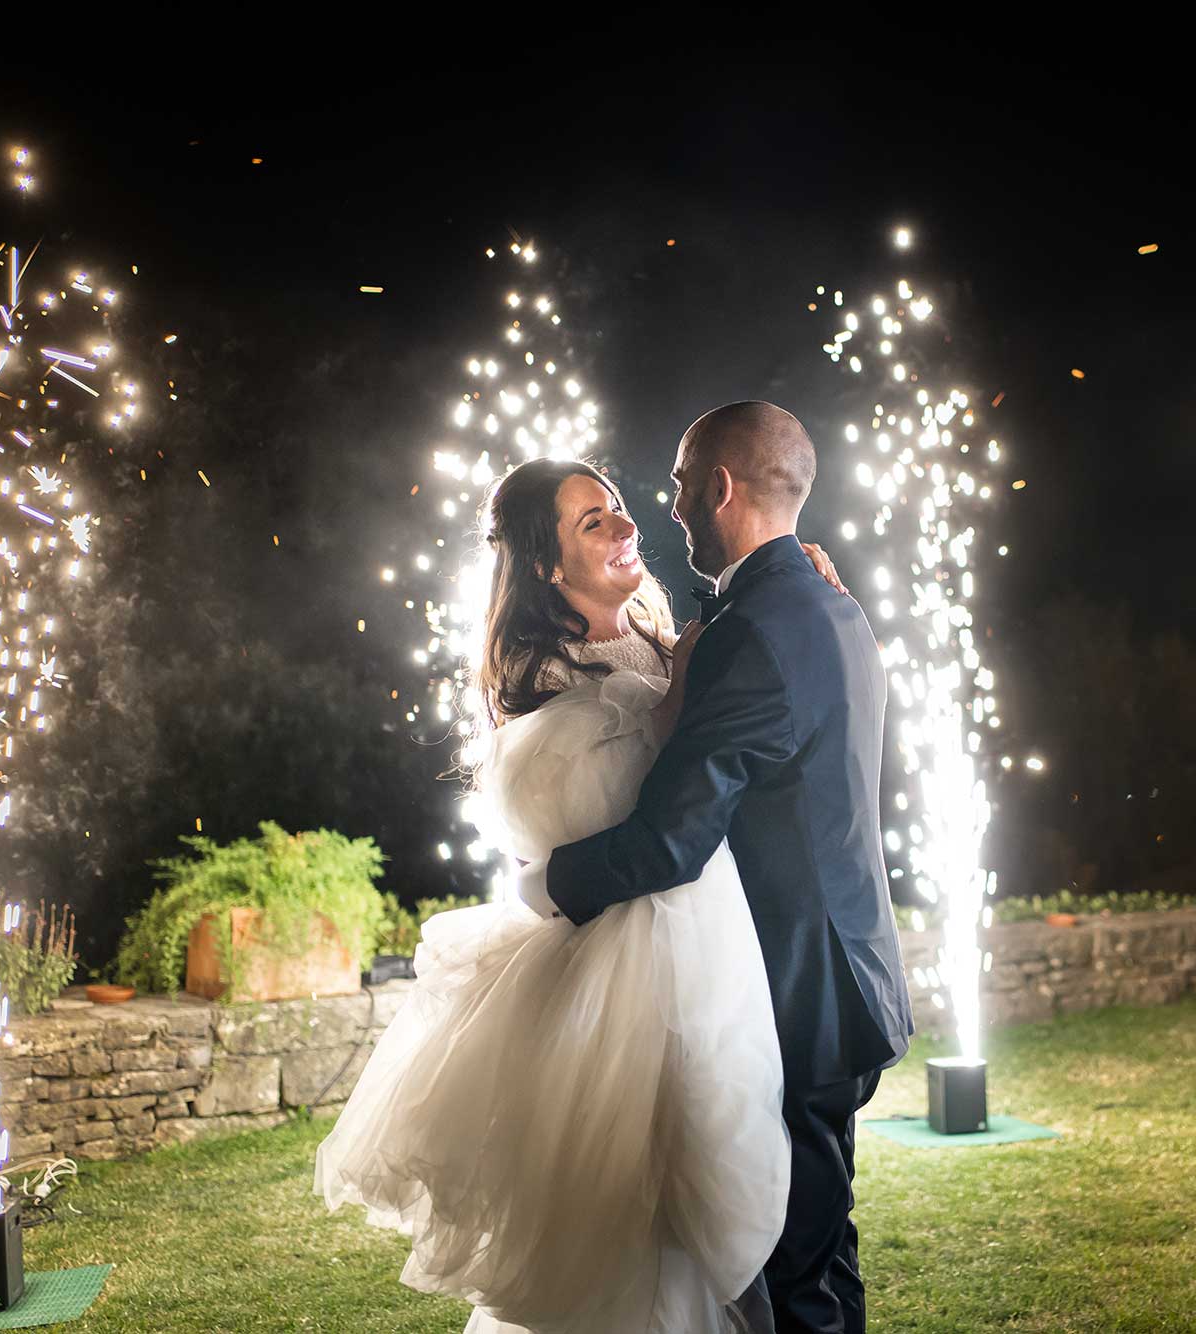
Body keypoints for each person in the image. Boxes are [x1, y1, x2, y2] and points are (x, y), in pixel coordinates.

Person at [315, 454, 851, 1333]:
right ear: (543, 563)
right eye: (591, 522)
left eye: (617, 509)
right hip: (636, 975)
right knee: (648, 1207)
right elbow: (621, 822)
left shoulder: (662, 631)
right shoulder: (547, 681)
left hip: (715, 951)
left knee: (722, 1177)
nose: (625, 527)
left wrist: (792, 585)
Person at [546, 401, 914, 1334]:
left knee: (795, 1278)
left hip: (802, 996)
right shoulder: (832, 604)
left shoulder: (756, 628)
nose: (665, 509)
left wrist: (550, 882)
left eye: (675, 485)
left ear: (717, 487)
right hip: (847, 971)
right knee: (822, 1256)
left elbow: (675, 838)